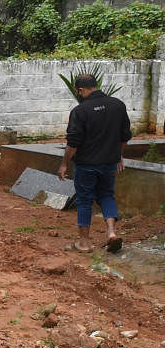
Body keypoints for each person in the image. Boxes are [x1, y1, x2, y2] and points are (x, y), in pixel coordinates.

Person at [58, 74, 131, 253]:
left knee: (84, 200)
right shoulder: (118, 105)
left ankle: (84, 242)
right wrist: (118, 157)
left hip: (87, 164)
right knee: (106, 195)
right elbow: (125, 136)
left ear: (80, 90)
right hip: (109, 163)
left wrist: (64, 164)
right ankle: (111, 233)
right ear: (95, 85)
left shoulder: (80, 111)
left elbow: (73, 143)